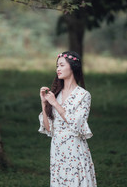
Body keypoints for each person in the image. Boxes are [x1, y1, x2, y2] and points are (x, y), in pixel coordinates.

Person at [38, 51, 97, 187]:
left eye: (61, 65)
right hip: (57, 149)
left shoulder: (83, 95)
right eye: (57, 66)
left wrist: (55, 104)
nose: (58, 69)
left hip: (74, 149)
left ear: (73, 67)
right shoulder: (56, 94)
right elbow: (48, 129)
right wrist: (44, 102)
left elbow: (77, 124)